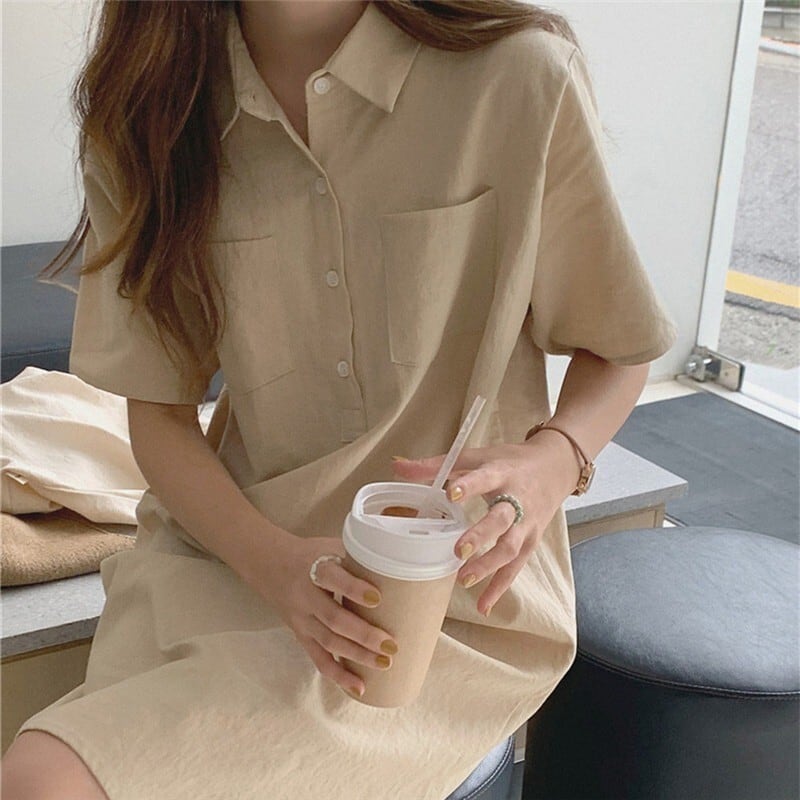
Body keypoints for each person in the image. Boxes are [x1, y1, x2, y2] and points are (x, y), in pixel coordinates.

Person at [2, 1, 677, 798]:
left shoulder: (519, 76)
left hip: (444, 595)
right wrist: (275, 567)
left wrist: (553, 463)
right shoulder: (148, 107)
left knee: (46, 780)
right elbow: (158, 416)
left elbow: (619, 348)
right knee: (43, 777)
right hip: (227, 555)